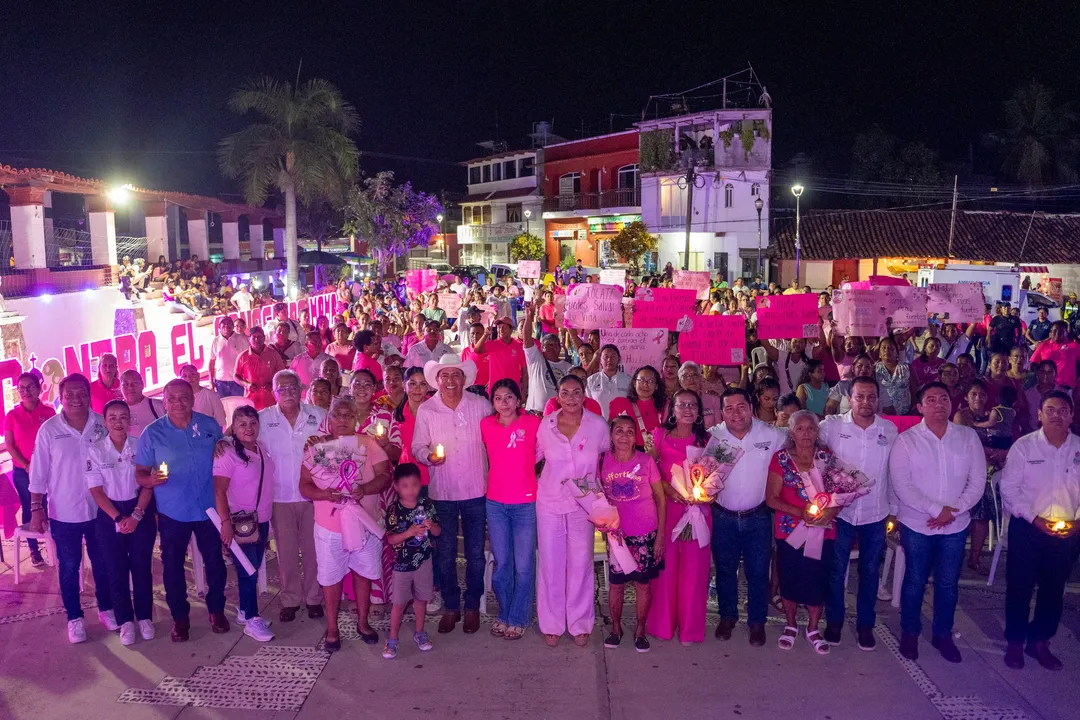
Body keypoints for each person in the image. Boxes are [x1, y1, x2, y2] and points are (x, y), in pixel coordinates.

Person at [890, 382, 987, 662]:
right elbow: (902, 485)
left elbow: (977, 480)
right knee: (915, 580)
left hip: (955, 526)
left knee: (947, 583)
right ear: (919, 407)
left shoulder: (968, 438)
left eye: (943, 399)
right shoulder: (906, 441)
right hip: (918, 524)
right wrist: (935, 510)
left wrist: (952, 511)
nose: (938, 405)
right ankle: (910, 632)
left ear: (952, 403)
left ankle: (942, 634)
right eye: (930, 400)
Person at [136, 379, 228, 642]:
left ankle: (217, 610)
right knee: (173, 567)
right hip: (173, 512)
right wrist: (149, 480)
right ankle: (180, 618)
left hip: (209, 509)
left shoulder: (209, 426)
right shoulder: (152, 434)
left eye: (184, 397)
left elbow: (224, 460)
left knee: (216, 564)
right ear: (164, 401)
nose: (178, 402)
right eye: (172, 398)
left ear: (193, 398)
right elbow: (140, 473)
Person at [300, 396, 391, 651]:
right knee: (330, 578)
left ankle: (363, 623)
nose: (342, 420)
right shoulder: (317, 447)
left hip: (364, 523)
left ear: (357, 420)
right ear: (329, 420)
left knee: (363, 574)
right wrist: (325, 494)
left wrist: (365, 488)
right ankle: (332, 628)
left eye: (348, 415)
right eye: (338, 415)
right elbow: (304, 485)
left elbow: (386, 475)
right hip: (330, 527)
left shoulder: (369, 444)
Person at [28, 374, 113, 643]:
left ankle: (107, 609)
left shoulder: (102, 424)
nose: (76, 399)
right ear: (60, 398)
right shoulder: (49, 430)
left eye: (81, 393)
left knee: (103, 563)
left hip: (101, 510)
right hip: (64, 511)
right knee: (68, 566)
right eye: (70, 394)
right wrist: (36, 508)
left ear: (89, 394)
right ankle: (74, 618)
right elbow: (39, 472)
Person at [411, 354, 492, 635]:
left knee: (475, 554)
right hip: (442, 492)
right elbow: (417, 447)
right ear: (437, 380)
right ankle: (450, 606)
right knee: (444, 554)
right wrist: (428, 456)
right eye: (444, 376)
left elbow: (492, 439)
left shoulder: (480, 405)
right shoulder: (427, 410)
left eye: (455, 375)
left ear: (464, 379)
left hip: (475, 490)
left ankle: (471, 606)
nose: (450, 381)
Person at [999, 391, 1080, 670]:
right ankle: (1014, 642)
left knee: (1053, 588)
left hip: (1068, 531)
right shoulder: (1024, 447)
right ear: (1040, 414)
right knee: (1019, 587)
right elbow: (1008, 488)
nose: (1057, 415)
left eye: (1063, 410)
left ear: (1071, 415)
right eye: (1050, 409)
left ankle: (1039, 641)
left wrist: (1078, 523)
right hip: (1028, 527)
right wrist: (1034, 519)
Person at [819, 377, 897, 650]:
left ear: (878, 398)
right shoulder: (832, 426)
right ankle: (834, 622)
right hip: (839, 514)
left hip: (875, 515)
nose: (866, 402)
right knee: (835, 571)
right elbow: (808, 448)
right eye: (860, 396)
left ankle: (866, 625)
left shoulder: (889, 429)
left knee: (869, 572)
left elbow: (894, 472)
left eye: (871, 397)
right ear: (849, 399)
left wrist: (894, 511)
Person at [535, 374, 611, 647]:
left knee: (581, 562)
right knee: (551, 563)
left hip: (584, 505)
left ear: (584, 395)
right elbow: (531, 457)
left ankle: (580, 622)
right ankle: (552, 623)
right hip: (550, 502)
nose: (570, 399)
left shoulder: (598, 426)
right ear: (557, 396)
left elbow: (608, 458)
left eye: (576, 393)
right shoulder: (546, 425)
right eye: (565, 393)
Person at [710, 388, 786, 646]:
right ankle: (727, 616)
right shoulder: (713, 437)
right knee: (725, 570)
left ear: (751, 407)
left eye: (741, 406)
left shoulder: (771, 435)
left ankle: (757, 622)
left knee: (757, 571)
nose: (736, 413)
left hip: (758, 516)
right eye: (729, 408)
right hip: (723, 517)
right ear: (722, 413)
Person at [766, 411, 836, 655]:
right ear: (791, 432)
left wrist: (831, 512)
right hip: (789, 531)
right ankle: (791, 624)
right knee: (790, 578)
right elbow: (771, 499)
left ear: (818, 432)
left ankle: (814, 628)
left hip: (823, 530)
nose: (806, 433)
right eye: (800, 429)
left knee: (817, 578)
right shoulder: (781, 459)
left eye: (811, 429)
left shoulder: (827, 458)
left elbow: (841, 493)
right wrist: (800, 511)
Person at [259, 370, 327, 622]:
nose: (287, 393)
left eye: (292, 388)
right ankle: (289, 599)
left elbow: (332, 447)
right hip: (279, 497)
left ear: (301, 389)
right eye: (281, 389)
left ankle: (313, 598)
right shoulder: (263, 418)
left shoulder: (318, 415)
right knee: (286, 552)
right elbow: (241, 440)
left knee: (312, 550)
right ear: (274, 392)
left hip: (312, 495)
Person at [88, 399, 157, 646]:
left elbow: (148, 483)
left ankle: (145, 617)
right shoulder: (95, 450)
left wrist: (137, 515)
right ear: (105, 422)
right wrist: (118, 518)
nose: (118, 422)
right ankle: (125, 621)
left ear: (130, 420)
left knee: (141, 567)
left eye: (123, 417)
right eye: (112, 417)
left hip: (139, 510)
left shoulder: (141, 446)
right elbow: (96, 490)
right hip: (110, 514)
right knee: (116, 570)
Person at [648, 389, 712, 644]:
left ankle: (690, 629)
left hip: (697, 511)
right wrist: (667, 489)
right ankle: (662, 625)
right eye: (681, 404)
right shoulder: (659, 436)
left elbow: (715, 478)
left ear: (698, 411)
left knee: (694, 572)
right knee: (664, 570)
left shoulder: (707, 442)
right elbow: (649, 471)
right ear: (672, 409)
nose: (687, 409)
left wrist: (705, 494)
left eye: (693, 405)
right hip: (667, 510)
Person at [480, 379, 540, 641]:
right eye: (498, 398)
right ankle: (505, 613)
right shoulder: (486, 425)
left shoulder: (533, 424)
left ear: (518, 400)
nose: (503, 403)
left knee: (524, 565)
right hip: (495, 503)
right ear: (492, 402)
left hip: (526, 503)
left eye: (509, 397)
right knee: (503, 563)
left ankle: (519, 617)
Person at [600, 415, 665, 652]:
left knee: (642, 584)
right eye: (619, 431)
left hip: (645, 535)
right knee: (616, 585)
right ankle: (615, 629)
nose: (625, 436)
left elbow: (661, 500)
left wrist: (659, 537)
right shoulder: (602, 461)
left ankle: (640, 630)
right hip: (616, 536)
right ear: (611, 435)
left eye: (630, 431)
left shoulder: (647, 461)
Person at [212, 405, 275, 641]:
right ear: (233, 427)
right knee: (248, 570)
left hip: (262, 519)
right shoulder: (227, 453)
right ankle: (251, 618)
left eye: (252, 423)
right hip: (242, 523)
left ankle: (244, 611)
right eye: (242, 424)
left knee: (254, 566)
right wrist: (225, 523)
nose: (248, 428)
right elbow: (219, 491)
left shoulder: (261, 447)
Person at [382, 463, 441, 659]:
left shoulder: (427, 505)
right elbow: (390, 539)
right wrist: (409, 532)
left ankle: (420, 632)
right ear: (397, 487)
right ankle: (392, 638)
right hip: (401, 565)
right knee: (398, 603)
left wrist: (431, 526)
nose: (411, 489)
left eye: (415, 484)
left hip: (423, 561)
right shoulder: (394, 509)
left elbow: (438, 532)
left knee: (421, 599)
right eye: (405, 485)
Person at [5, 372, 56, 567]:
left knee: (50, 505)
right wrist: (27, 465)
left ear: (39, 388)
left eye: (30, 387)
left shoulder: (49, 413)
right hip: (23, 471)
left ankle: (55, 543)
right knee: (30, 506)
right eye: (22, 388)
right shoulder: (12, 416)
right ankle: (34, 550)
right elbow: (10, 445)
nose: (26, 391)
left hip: (49, 470)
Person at [523, 303, 570, 413]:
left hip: (557, 416)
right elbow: (527, 339)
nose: (550, 347)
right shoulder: (536, 360)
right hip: (535, 413)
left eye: (554, 344)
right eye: (547, 345)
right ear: (541, 348)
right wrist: (529, 317)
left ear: (560, 348)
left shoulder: (568, 367)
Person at [608, 365, 666, 450]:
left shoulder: (664, 406)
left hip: (653, 455)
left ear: (656, 386)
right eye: (641, 380)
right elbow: (608, 431)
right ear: (635, 383)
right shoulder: (619, 403)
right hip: (625, 453)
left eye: (651, 381)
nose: (645, 384)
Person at [235, 326, 287, 411]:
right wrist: (246, 384)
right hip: (251, 401)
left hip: (271, 400)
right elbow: (236, 376)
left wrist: (273, 384)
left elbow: (282, 373)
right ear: (249, 339)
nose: (257, 339)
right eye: (254, 337)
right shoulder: (242, 357)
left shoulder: (273, 354)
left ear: (264, 338)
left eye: (259, 337)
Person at [1030, 321, 1080, 390]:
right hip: (1047, 385)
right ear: (1050, 332)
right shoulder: (1043, 345)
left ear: (1066, 333)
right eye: (1054, 331)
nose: (1057, 333)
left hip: (1067, 387)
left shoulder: (1074, 346)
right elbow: (1033, 364)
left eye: (1061, 331)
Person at [209, 316, 250, 398]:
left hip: (238, 381)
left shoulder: (242, 339)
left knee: (240, 407)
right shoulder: (216, 341)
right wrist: (211, 381)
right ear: (219, 327)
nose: (226, 326)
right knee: (223, 407)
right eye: (223, 324)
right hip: (220, 382)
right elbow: (212, 362)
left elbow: (248, 360)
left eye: (229, 324)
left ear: (232, 326)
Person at [585, 344, 630, 419]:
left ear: (619, 359)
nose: (609, 360)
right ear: (600, 360)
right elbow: (588, 406)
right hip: (598, 425)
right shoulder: (591, 380)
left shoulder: (628, 380)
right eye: (606, 357)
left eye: (613, 356)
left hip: (621, 426)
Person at [486, 316, 528, 395]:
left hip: (513, 391)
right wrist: (485, 334)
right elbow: (477, 349)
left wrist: (523, 392)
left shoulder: (519, 347)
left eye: (504, 327)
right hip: (495, 391)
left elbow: (524, 372)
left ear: (511, 330)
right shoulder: (492, 345)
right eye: (499, 327)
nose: (501, 330)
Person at [675, 362, 722, 428]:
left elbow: (719, 426)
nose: (691, 379)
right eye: (686, 376)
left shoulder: (714, 400)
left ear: (700, 378)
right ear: (680, 382)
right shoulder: (674, 403)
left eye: (694, 375)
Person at [179, 364, 226, 428]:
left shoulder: (210, 396)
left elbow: (220, 421)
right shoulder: (178, 399)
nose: (189, 378)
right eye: (185, 376)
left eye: (192, 374)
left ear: (198, 376)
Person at [120, 369, 164, 437]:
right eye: (126, 384)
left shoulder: (158, 406)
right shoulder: (116, 411)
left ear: (143, 385)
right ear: (120, 387)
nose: (130, 387)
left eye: (135, 383)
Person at [875, 337, 912, 415]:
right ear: (879, 353)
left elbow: (915, 391)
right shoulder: (874, 369)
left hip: (905, 415)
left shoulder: (907, 368)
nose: (887, 350)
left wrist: (912, 411)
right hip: (882, 415)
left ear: (897, 352)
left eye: (891, 348)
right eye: (883, 348)